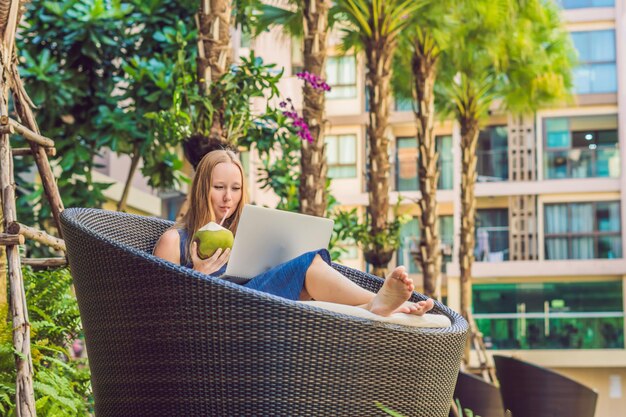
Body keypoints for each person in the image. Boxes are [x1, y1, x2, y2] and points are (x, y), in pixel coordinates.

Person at [154, 149, 434, 317]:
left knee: (308, 263)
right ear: (202, 188)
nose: (228, 197)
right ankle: (375, 302)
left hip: (262, 308)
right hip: (228, 315)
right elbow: (158, 310)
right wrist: (199, 276)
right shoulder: (174, 241)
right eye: (219, 187)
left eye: (236, 189)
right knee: (307, 263)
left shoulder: (245, 235)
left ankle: (374, 305)